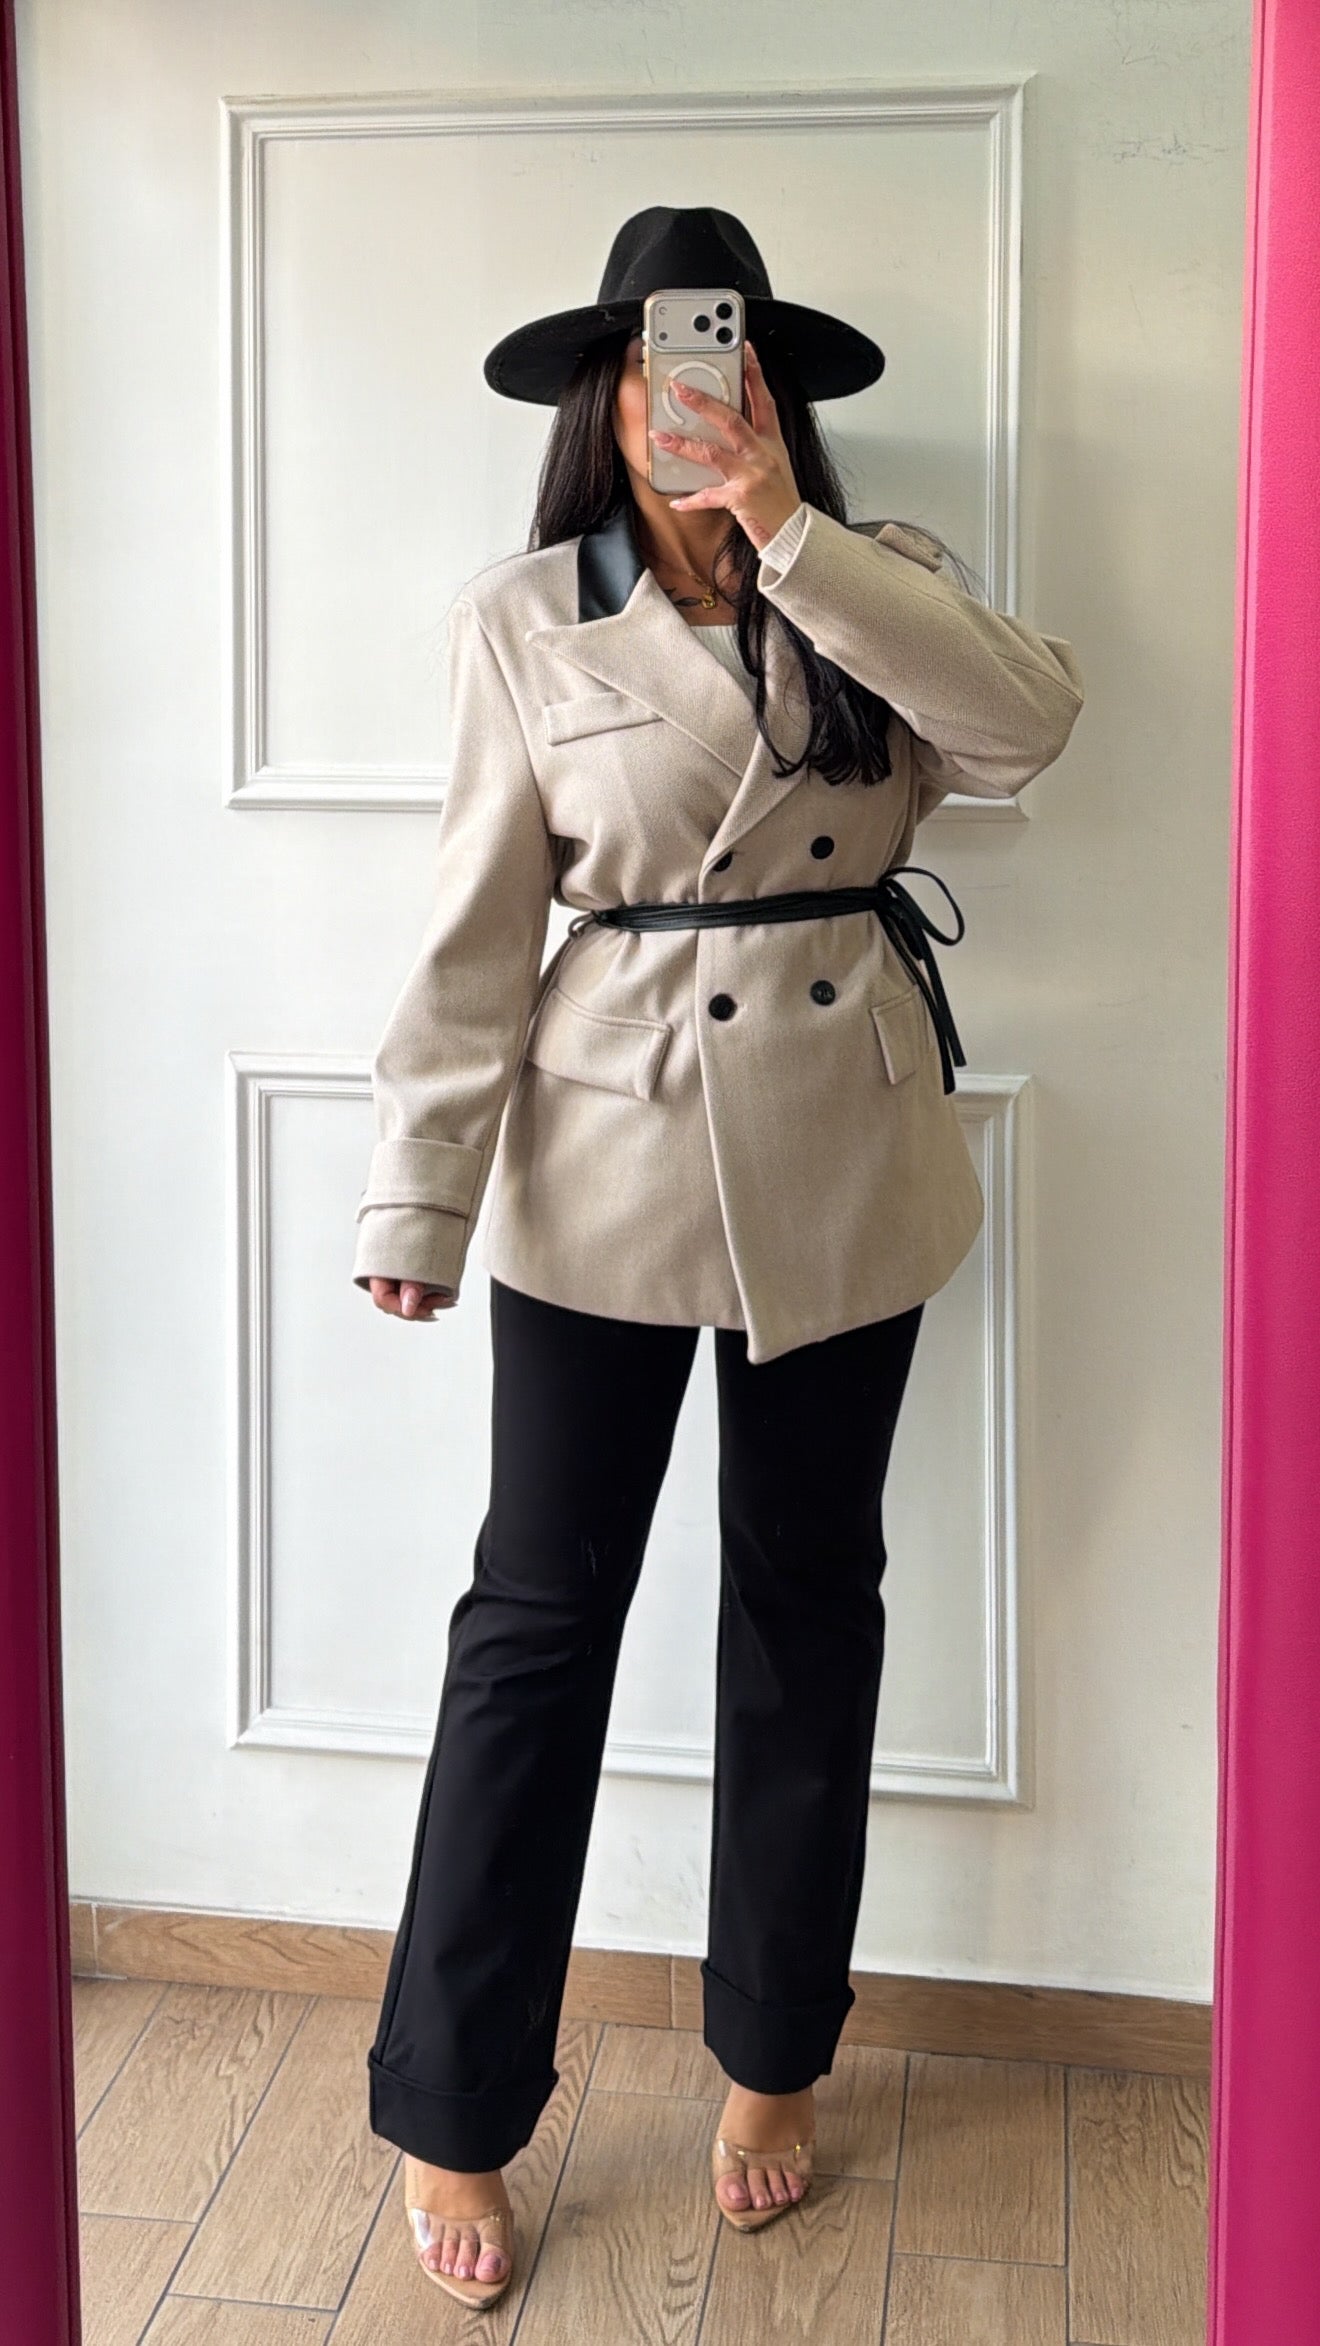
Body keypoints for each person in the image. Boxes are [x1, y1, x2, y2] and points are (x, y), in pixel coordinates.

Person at [351, 205, 1084, 2310]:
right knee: (535, 1626)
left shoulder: (878, 577)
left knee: (805, 1609)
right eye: (662, 369)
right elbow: (473, 926)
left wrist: (789, 535)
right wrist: (417, 1192)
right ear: (605, 400)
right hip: (603, 1156)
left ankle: (775, 2054)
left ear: (771, 393)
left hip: (844, 1156)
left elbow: (1026, 732)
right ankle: (456, 2098)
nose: (691, 400)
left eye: (729, 367)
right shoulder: (525, 619)